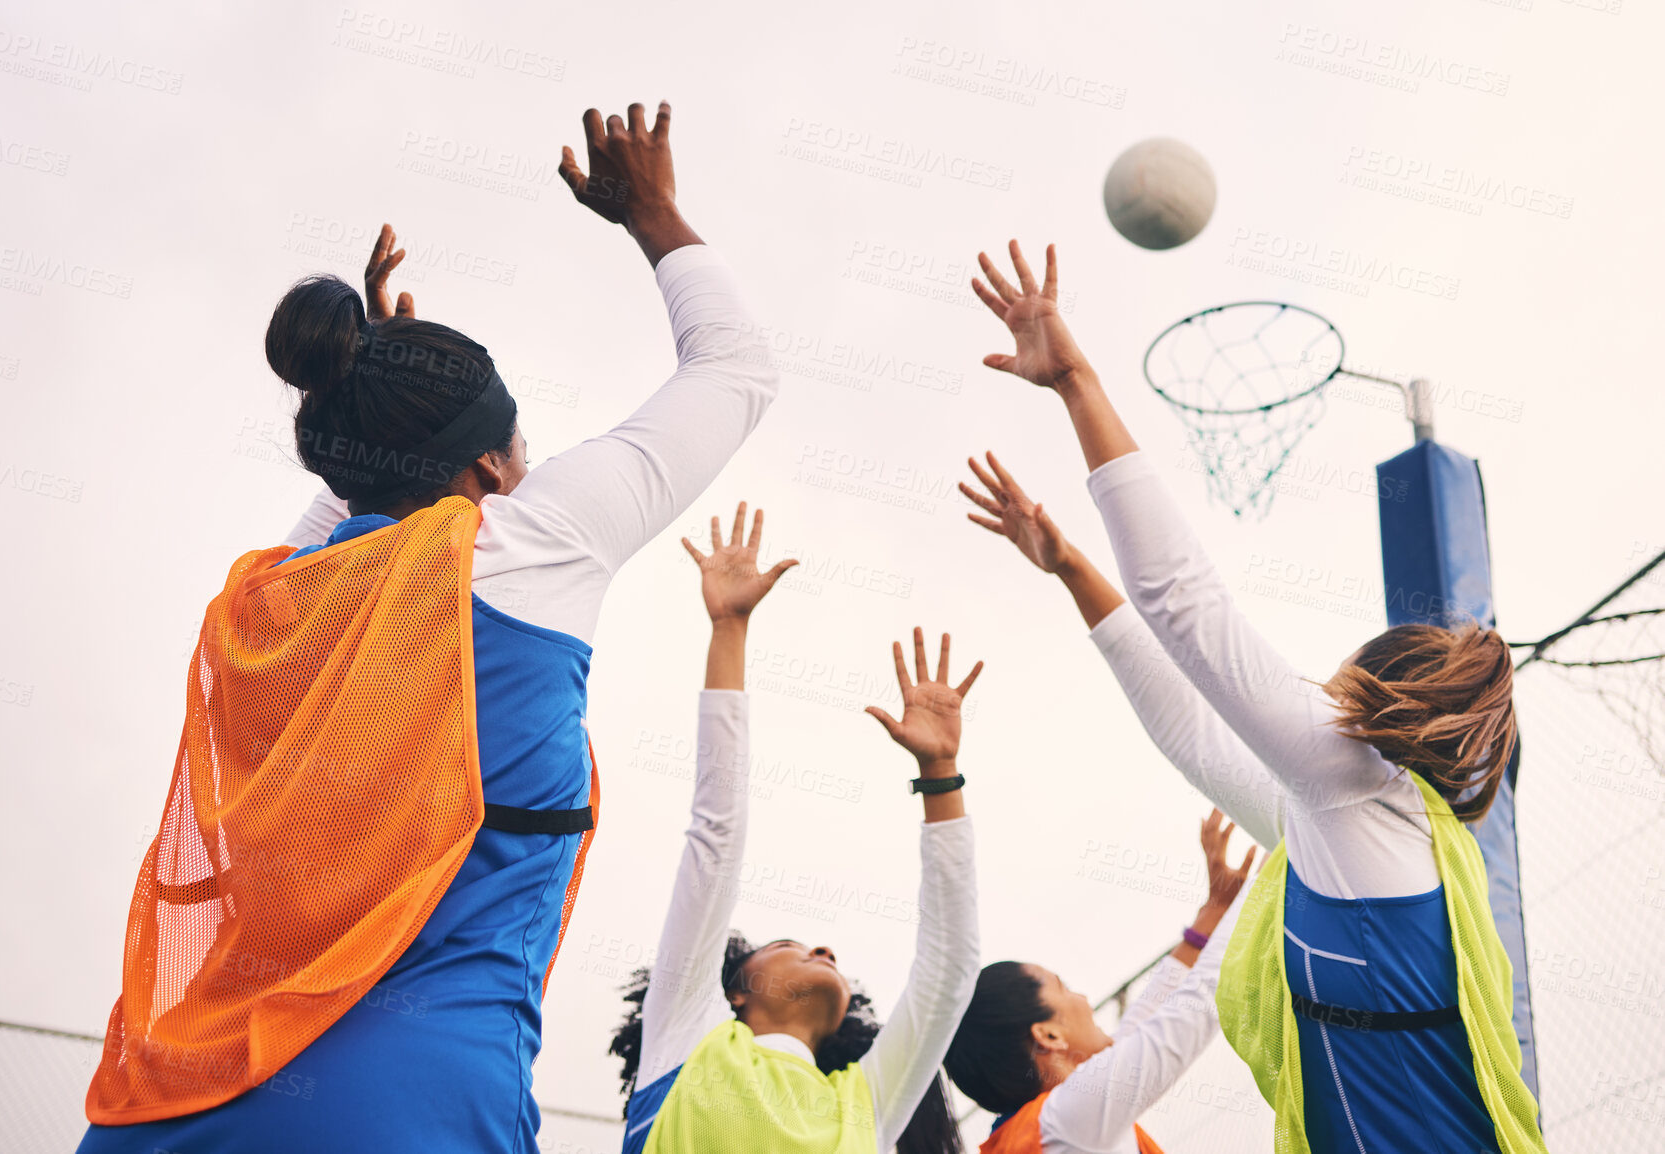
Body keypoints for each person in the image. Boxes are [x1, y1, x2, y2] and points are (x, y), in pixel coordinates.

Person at [79, 102, 779, 1154]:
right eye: (522, 451)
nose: (530, 470)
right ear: (490, 473)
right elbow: (737, 366)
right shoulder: (527, 542)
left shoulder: (261, 609)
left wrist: (375, 372)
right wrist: (654, 214)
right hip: (408, 1106)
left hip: (176, 1097)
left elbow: (353, 510)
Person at [958, 240, 1546, 1154]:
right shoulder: (1354, 823)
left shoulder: (1346, 781)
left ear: (1365, 693)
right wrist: (1072, 569)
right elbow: (1188, 727)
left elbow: (1183, 604)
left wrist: (1077, 381)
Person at [609, 503, 980, 1153]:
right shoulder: (687, 1037)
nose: (826, 950)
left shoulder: (866, 1102)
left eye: (797, 942)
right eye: (788, 943)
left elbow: (949, 968)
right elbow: (714, 836)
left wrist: (940, 772)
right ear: (734, 994)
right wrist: (729, 629)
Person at [945, 810, 1252, 1154]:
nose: (1084, 998)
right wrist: (1281, 864)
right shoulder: (1064, 1121)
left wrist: (1217, 908)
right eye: (1063, 988)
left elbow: (1147, 1020)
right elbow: (1187, 1015)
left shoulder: (1035, 1130)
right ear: (1048, 1035)